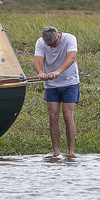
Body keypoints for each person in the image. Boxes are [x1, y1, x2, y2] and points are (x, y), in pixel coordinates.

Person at [32, 25, 80, 160]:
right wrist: (41, 73)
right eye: (49, 45)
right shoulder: (40, 42)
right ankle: (56, 152)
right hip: (51, 85)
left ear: (58, 36)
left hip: (70, 82)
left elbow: (71, 58)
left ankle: (70, 151)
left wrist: (57, 72)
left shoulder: (70, 39)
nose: (52, 47)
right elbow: (37, 60)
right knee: (53, 116)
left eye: (54, 44)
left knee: (67, 115)